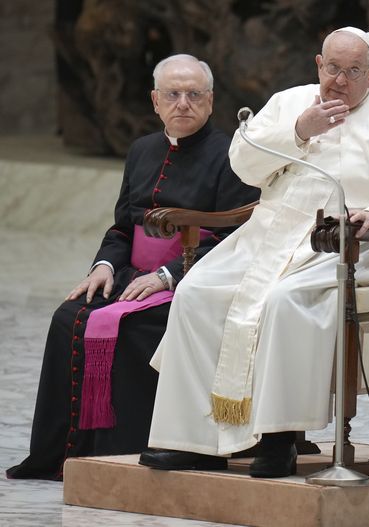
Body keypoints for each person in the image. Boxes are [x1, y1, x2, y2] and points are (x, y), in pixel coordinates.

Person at [138, 27, 369, 477]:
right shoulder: (290, 103)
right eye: (332, 68)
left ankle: (278, 440)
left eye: (353, 71)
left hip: (347, 245)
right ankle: (194, 441)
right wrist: (299, 131)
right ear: (317, 65)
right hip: (269, 234)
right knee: (197, 292)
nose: (339, 80)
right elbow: (242, 163)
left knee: (285, 301)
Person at [6, 54, 260, 481]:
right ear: (155, 101)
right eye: (172, 94)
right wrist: (103, 265)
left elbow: (233, 237)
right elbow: (123, 227)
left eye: (194, 94)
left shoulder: (232, 155)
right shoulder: (142, 150)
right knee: (68, 317)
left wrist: (169, 276)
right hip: (130, 278)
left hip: (193, 281)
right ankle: (63, 456)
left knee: (139, 328)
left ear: (211, 101)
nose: (183, 103)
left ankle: (130, 454)